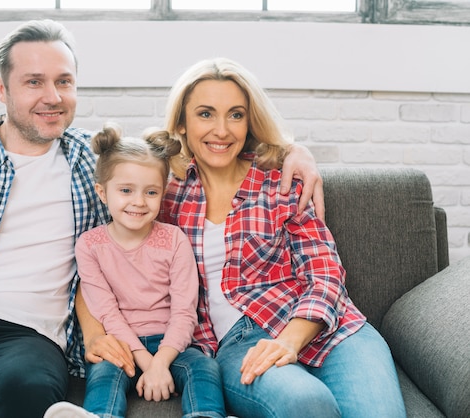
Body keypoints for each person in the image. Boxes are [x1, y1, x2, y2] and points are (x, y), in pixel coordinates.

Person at [0, 19, 322, 418]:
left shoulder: (102, 163)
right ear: (1, 88)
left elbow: (198, 146)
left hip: (25, 338)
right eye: (34, 82)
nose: (52, 96)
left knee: (23, 397)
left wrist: (288, 151)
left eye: (64, 82)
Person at [153, 57, 405, 417]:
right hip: (241, 342)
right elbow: (118, 176)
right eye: (205, 114)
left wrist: (290, 338)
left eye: (236, 115)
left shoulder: (281, 182)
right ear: (181, 121)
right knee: (307, 405)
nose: (222, 130)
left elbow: (325, 271)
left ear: (249, 121)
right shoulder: (165, 196)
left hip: (332, 329)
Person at [75, 124, 225, 418]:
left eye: (151, 191)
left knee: (205, 368)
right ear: (102, 193)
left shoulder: (174, 240)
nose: (139, 201)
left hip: (175, 342)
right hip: (121, 343)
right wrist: (146, 362)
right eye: (126, 190)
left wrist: (162, 362)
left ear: (163, 192)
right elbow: (106, 313)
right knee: (104, 374)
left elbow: (185, 311)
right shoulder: (90, 246)